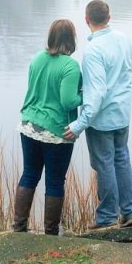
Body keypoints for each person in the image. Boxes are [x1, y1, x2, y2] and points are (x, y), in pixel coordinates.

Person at [62, 0, 132, 229]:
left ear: (87, 20)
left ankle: (106, 218)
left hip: (101, 119)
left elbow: (96, 93)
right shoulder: (125, 41)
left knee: (104, 164)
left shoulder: (93, 51)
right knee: (122, 160)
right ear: (109, 17)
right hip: (122, 114)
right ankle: (131, 211)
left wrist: (79, 124)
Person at [13, 19, 82, 235]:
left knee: (29, 175)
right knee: (54, 181)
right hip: (56, 131)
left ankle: (19, 227)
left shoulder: (37, 58)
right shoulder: (70, 66)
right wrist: (86, 93)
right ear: (71, 39)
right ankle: (51, 233)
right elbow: (68, 101)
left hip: (29, 125)